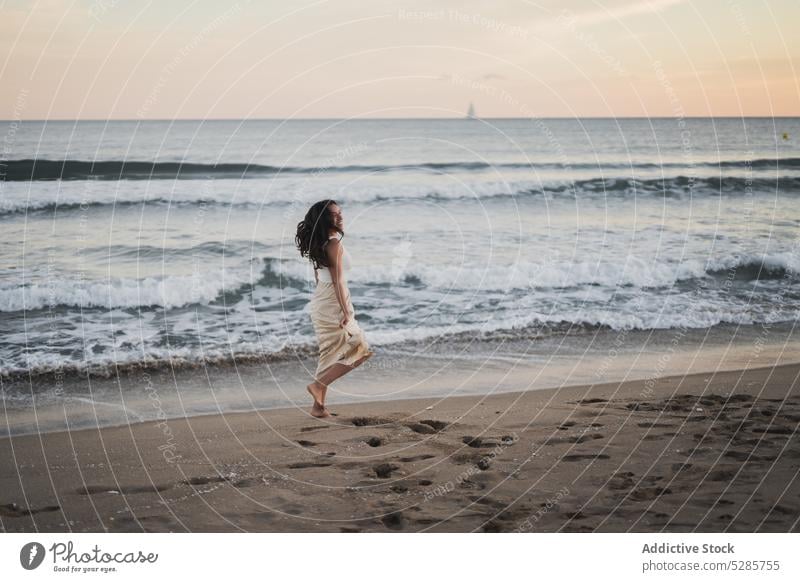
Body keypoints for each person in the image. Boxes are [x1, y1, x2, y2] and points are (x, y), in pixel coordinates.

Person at [295, 199, 374, 418]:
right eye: (333, 214)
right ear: (324, 220)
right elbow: (338, 281)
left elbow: (318, 276)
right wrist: (346, 312)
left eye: (340, 213)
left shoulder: (320, 242)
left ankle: (318, 407)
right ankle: (319, 385)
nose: (340, 217)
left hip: (322, 299)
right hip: (333, 300)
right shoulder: (333, 244)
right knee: (361, 349)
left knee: (329, 353)